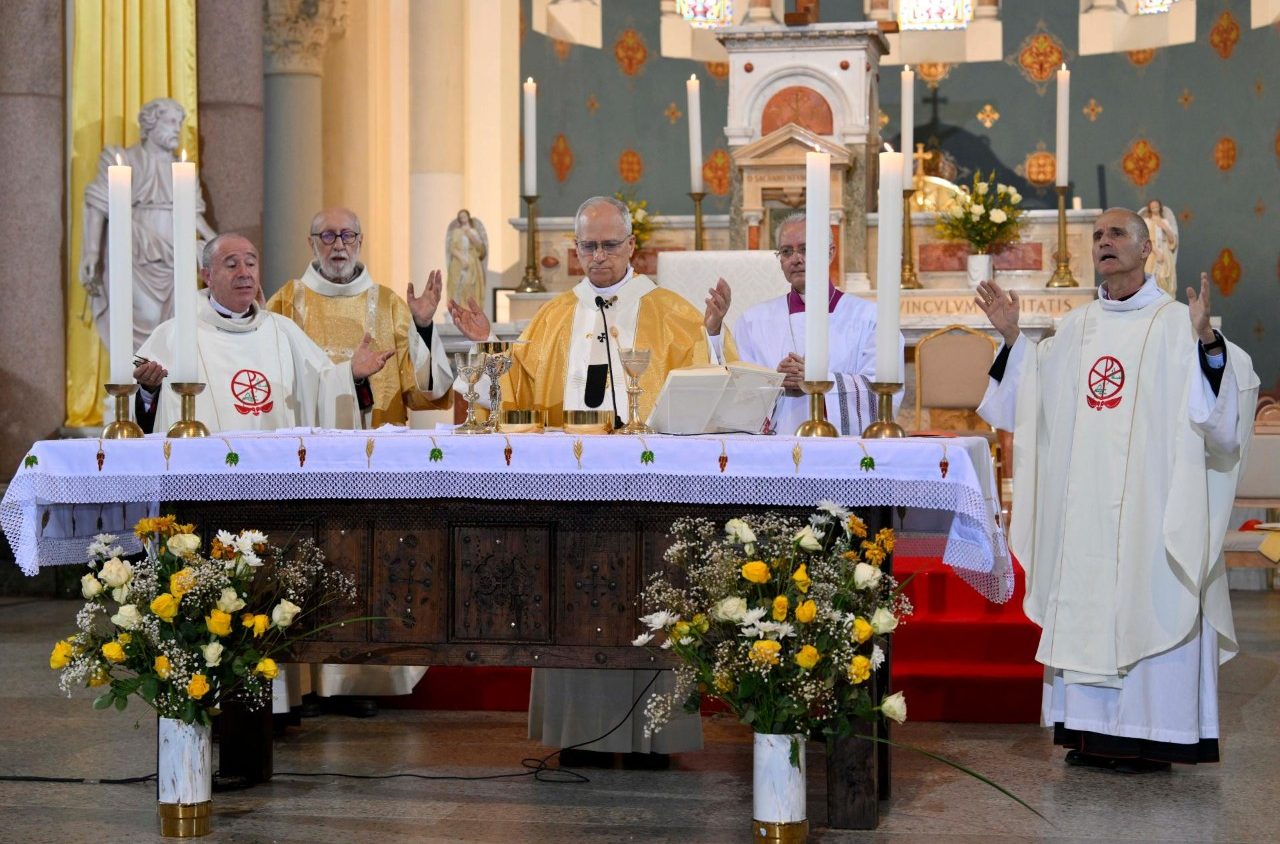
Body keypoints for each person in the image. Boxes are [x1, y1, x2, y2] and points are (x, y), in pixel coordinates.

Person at [974, 208, 1258, 773]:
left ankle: (1157, 733)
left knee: (1151, 587)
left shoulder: (1181, 323)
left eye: (1117, 234)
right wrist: (1012, 338)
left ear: (1147, 248)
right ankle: (1090, 734)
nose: (1104, 243)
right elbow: (1031, 399)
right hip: (1085, 518)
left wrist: (1209, 342)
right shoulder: (1076, 329)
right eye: (1097, 236)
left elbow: (1226, 406)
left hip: (1155, 511)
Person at [473, 195, 733, 765]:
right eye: (588, 246)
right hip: (570, 493)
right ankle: (577, 735)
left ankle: (652, 739)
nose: (598, 256)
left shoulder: (670, 310)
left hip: (649, 494)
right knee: (572, 603)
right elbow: (513, 395)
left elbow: (712, 391)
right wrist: (486, 346)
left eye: (610, 244)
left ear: (632, 247)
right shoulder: (553, 315)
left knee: (651, 599)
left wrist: (712, 334)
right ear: (575, 250)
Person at [263, 207, 491, 717]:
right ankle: (305, 683)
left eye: (347, 235)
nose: (338, 244)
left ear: (361, 241)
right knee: (309, 564)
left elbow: (426, 393)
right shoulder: (284, 303)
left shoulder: (389, 304)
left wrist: (426, 326)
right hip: (308, 463)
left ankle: (360, 680)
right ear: (311, 242)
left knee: (366, 562)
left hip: (375, 461)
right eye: (327, 235)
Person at [133, 233, 392, 434]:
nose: (244, 273)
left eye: (251, 264)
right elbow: (142, 419)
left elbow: (323, 387)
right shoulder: (174, 335)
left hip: (277, 479)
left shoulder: (282, 331)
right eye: (232, 265)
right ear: (207, 276)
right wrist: (148, 392)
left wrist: (351, 375)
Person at [734, 211, 904, 435]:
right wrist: (774, 383)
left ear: (830, 253)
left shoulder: (871, 318)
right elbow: (737, 395)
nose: (796, 259)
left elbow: (883, 392)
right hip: (776, 452)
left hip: (843, 454)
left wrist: (818, 380)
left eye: (805, 249)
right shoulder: (753, 321)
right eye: (786, 251)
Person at [81, 97, 217, 350]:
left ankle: (167, 384)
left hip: (176, 253)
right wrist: (91, 251)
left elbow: (193, 215)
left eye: (179, 122)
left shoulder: (183, 169)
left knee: (177, 321)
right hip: (135, 252)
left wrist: (217, 245)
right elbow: (97, 202)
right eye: (170, 121)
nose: (177, 128)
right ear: (151, 124)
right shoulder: (123, 159)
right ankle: (134, 384)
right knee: (145, 315)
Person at [445, 209, 488, 310]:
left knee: (470, 285)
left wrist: (469, 233)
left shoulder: (474, 232)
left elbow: (480, 248)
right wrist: (462, 259)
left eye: (464, 216)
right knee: (459, 286)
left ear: (468, 217)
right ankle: (459, 308)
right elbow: (452, 248)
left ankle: (470, 309)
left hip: (472, 262)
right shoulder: (456, 232)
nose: (463, 218)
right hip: (458, 263)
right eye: (461, 217)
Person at [1139, 199, 1179, 297]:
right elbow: (1143, 239)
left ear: (1160, 207)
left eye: (1156, 206)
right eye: (1152, 207)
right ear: (1150, 208)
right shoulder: (1147, 221)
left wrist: (1165, 227)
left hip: (1165, 252)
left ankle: (1166, 300)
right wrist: (1156, 252)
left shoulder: (1165, 221)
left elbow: (1172, 240)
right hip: (1152, 252)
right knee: (1151, 276)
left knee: (1166, 278)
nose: (1155, 208)